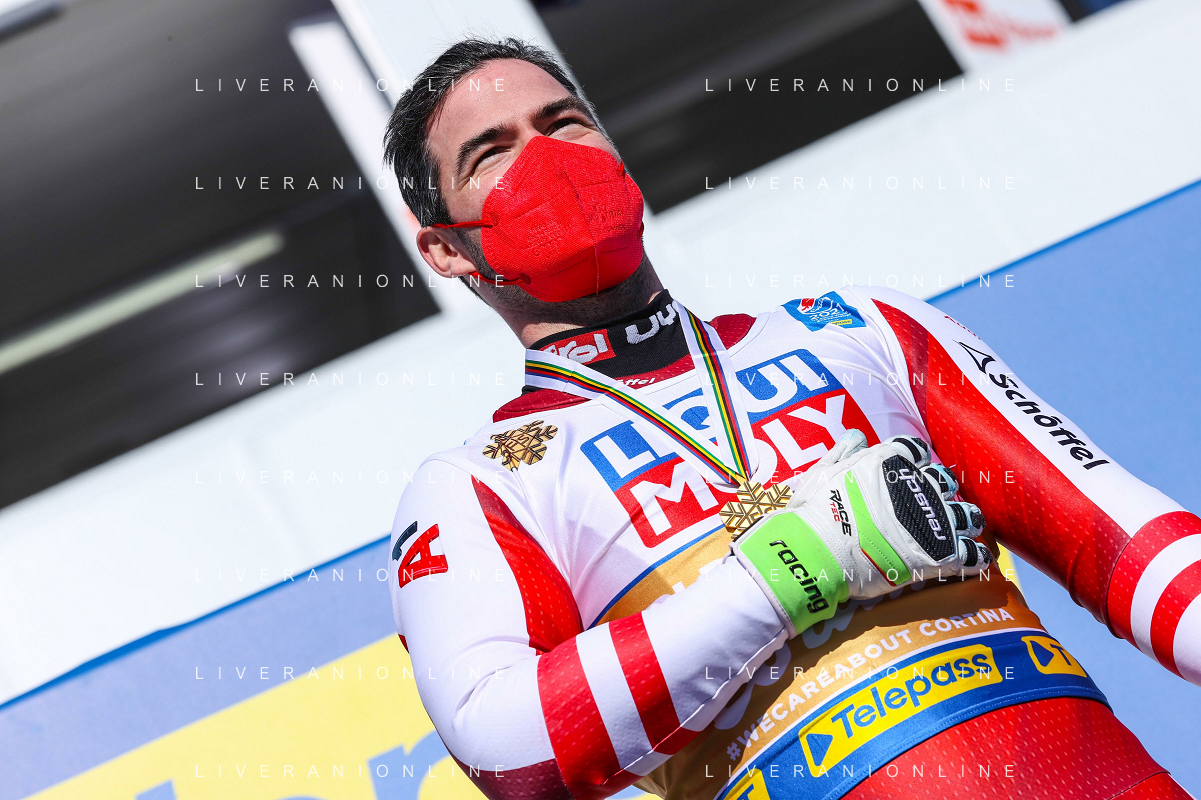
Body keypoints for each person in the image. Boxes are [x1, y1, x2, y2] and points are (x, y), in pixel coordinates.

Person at [382, 38, 1200, 800]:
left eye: (564, 122)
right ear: (445, 249)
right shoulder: (476, 485)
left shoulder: (859, 328)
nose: (547, 159)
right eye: (492, 152)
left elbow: (1125, 543)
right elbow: (507, 748)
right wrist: (793, 567)